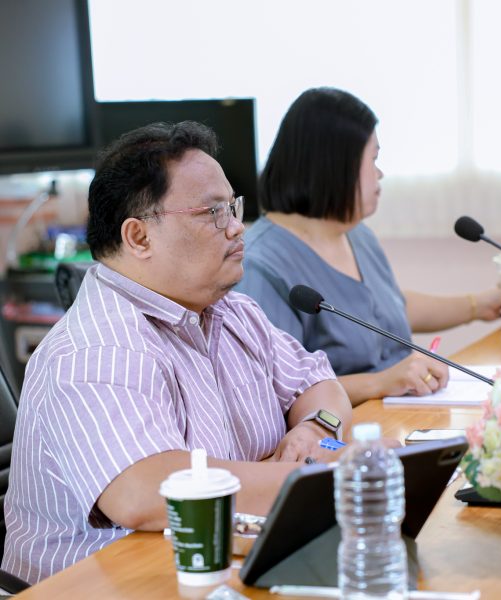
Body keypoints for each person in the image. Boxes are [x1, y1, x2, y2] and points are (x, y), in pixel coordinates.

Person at [2, 121, 351, 584]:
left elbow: (319, 383)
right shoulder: (94, 348)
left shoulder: (232, 311)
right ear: (139, 237)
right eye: (213, 213)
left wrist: (315, 429)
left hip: (219, 563)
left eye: (233, 207)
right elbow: (145, 493)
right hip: (98, 586)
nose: (237, 227)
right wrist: (332, 477)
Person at [236, 87, 501, 407]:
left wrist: (478, 305)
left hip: (405, 416)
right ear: (336, 166)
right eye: (373, 159)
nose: (380, 174)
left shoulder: (356, 234)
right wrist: (380, 383)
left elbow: (390, 311)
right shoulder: (261, 267)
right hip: (345, 428)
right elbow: (272, 392)